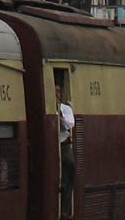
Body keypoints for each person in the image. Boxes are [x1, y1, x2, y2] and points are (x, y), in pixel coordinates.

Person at [57, 86, 75, 220]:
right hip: (54, 147)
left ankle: (65, 212)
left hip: (64, 146)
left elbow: (69, 125)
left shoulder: (66, 109)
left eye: (58, 91)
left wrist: (60, 116)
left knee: (67, 179)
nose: (56, 94)